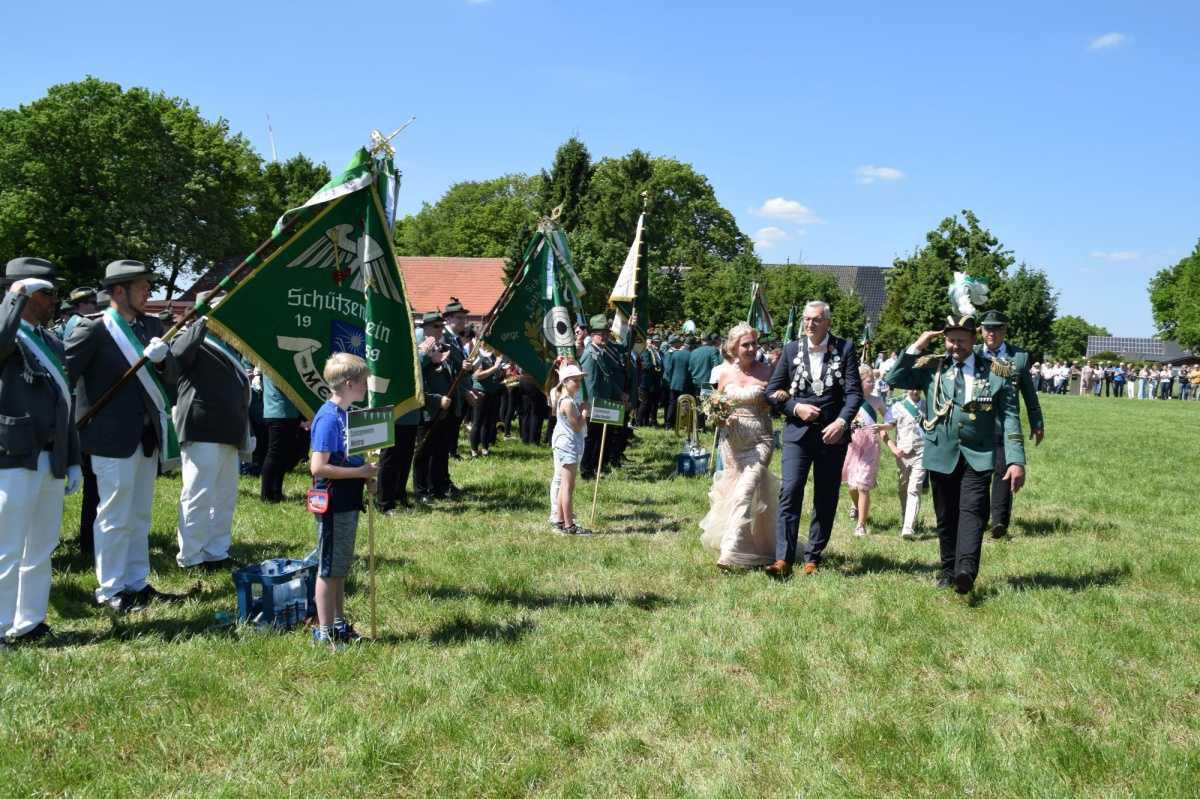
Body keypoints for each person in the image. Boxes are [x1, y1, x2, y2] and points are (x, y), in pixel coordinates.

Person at [65, 260, 183, 614]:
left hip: (146, 435)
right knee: (114, 515)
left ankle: (136, 583)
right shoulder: (94, 329)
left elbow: (172, 379)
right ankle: (111, 589)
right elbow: (63, 378)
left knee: (139, 514)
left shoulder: (151, 325)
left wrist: (162, 362)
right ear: (119, 291)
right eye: (142, 286)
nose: (149, 292)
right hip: (109, 436)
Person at [885, 315, 1026, 594]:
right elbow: (894, 378)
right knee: (946, 516)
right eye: (950, 340)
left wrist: (1016, 460)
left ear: (974, 339)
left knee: (973, 511)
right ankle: (948, 569)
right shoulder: (932, 367)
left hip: (978, 453)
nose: (955, 346)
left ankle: (966, 571)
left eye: (961, 340)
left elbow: (1011, 417)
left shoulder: (998, 371)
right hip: (941, 453)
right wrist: (919, 344)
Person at [0, 259, 82, 645]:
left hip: (52, 456)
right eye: (47, 292)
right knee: (7, 547)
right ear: (26, 293)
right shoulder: (7, 331)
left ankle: (29, 621)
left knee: (41, 546)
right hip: (14, 453)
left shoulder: (51, 340)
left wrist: (75, 458)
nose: (54, 300)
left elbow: (67, 402)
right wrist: (11, 300)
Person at [764, 300, 863, 577]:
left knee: (826, 495)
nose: (810, 324)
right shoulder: (791, 349)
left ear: (828, 322)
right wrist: (796, 407)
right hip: (798, 433)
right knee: (791, 489)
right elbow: (772, 392)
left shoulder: (845, 349)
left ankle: (813, 557)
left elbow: (854, 393)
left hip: (832, 435)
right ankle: (783, 558)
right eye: (807, 319)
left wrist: (842, 422)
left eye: (816, 319)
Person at [168, 294, 253, 570]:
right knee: (198, 493)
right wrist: (204, 320)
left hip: (228, 426)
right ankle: (191, 556)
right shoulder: (189, 336)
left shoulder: (229, 341)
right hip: (201, 425)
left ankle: (217, 551)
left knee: (224, 495)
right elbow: (178, 355)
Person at [308, 353, 377, 649]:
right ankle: (324, 632)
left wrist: (366, 474)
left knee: (340, 568)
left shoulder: (348, 414)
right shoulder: (327, 418)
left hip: (349, 498)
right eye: (363, 381)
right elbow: (318, 467)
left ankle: (338, 623)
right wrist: (359, 471)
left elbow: (352, 455)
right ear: (349, 383)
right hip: (332, 501)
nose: (366, 386)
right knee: (328, 569)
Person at [698, 323, 778, 569]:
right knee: (734, 493)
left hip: (760, 440)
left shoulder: (767, 371)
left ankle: (731, 552)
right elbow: (715, 404)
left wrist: (777, 399)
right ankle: (755, 544)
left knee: (745, 491)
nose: (752, 348)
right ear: (734, 347)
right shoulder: (722, 373)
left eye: (754, 343)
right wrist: (718, 416)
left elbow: (778, 402)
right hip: (731, 442)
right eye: (746, 345)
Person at [976, 310, 1044, 539]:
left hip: (1005, 424)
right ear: (981, 330)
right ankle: (978, 516)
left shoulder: (1020, 357)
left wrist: (1037, 421)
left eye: (996, 328)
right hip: (977, 424)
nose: (991, 333)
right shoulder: (973, 354)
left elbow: (1029, 393)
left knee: (1003, 470)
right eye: (987, 328)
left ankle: (999, 522)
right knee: (979, 473)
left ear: (1005, 330)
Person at [413, 312, 457, 502]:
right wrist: (436, 399)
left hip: (444, 408)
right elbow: (418, 381)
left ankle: (437, 487)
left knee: (440, 450)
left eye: (441, 326)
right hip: (428, 408)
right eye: (436, 327)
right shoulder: (419, 348)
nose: (440, 330)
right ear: (426, 328)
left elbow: (446, 374)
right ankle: (421, 491)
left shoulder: (440, 346)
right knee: (424, 452)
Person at [842, 364, 890, 537]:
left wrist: (884, 426)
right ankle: (855, 506)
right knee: (852, 485)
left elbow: (889, 417)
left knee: (862, 486)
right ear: (859, 382)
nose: (873, 385)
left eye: (874, 381)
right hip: (851, 446)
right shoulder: (848, 399)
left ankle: (861, 525)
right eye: (870, 381)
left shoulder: (876, 400)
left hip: (870, 446)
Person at [579, 314, 626, 478]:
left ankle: (594, 467)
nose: (605, 336)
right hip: (595, 406)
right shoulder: (590, 355)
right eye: (601, 333)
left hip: (603, 404)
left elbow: (608, 378)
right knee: (591, 439)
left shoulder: (601, 352)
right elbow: (590, 384)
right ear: (592, 335)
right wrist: (591, 409)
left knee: (599, 438)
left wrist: (620, 394)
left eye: (606, 333)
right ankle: (586, 470)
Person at [548, 363, 591, 536]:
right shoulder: (567, 402)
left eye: (579, 380)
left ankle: (560, 519)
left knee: (566, 485)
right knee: (567, 485)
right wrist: (584, 413)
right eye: (575, 380)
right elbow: (576, 426)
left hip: (567, 444)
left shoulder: (568, 399)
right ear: (565, 381)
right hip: (567, 445)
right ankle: (568, 525)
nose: (579, 384)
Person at [259, 372, 307, 503]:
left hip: (288, 413)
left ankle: (276, 492)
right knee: (274, 454)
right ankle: (266, 494)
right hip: (277, 413)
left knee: (283, 456)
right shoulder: (272, 364)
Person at [886, 387, 926, 539]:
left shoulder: (926, 405)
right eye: (912, 388)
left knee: (914, 488)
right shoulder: (897, 406)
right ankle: (905, 517)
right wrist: (882, 428)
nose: (915, 391)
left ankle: (909, 527)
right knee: (903, 488)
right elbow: (889, 424)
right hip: (903, 453)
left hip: (922, 451)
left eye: (918, 388)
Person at [468, 343, 503, 457]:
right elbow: (476, 376)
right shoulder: (479, 356)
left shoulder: (493, 356)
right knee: (477, 422)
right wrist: (494, 368)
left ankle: (485, 448)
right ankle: (474, 450)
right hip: (481, 393)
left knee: (488, 422)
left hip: (492, 392)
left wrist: (500, 371)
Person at [637, 334, 664, 427]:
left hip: (656, 382)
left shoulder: (660, 353)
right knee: (645, 403)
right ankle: (639, 422)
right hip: (647, 382)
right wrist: (655, 367)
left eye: (659, 342)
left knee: (654, 403)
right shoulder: (647, 352)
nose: (657, 344)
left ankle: (652, 421)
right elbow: (646, 365)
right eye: (655, 342)